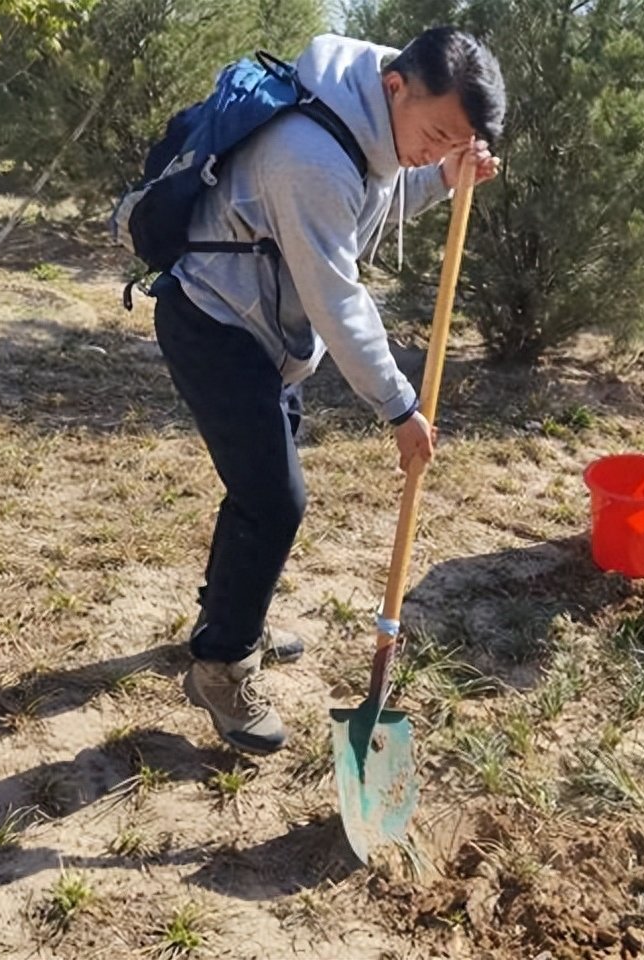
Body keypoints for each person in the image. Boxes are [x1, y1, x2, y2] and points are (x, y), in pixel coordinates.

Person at [150, 28, 506, 754]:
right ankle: (219, 666)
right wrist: (399, 406)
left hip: (263, 332)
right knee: (274, 498)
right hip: (216, 324)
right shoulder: (310, 154)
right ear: (397, 86)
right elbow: (339, 300)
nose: (435, 150)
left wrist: (442, 179)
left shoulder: (368, 124)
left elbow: (371, 203)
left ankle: (230, 620)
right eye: (436, 135)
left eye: (451, 143)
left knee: (260, 491)